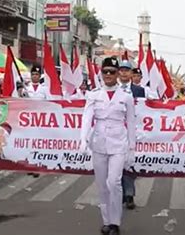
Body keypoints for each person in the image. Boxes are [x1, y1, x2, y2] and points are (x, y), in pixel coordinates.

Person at [79, 57, 136, 235]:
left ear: (118, 73)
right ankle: (106, 220)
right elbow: (87, 118)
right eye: (106, 72)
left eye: (112, 71)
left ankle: (115, 222)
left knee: (114, 182)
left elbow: (131, 122)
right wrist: (83, 139)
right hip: (99, 142)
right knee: (102, 185)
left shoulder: (126, 97)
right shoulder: (93, 94)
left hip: (119, 143)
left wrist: (132, 147)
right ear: (101, 73)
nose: (109, 75)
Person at [118, 60, 143, 210]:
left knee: (129, 165)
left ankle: (129, 195)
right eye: (121, 70)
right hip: (116, 133)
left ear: (131, 73)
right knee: (116, 166)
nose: (124, 73)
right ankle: (119, 194)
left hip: (132, 132)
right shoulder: (112, 89)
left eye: (127, 70)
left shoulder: (139, 91)